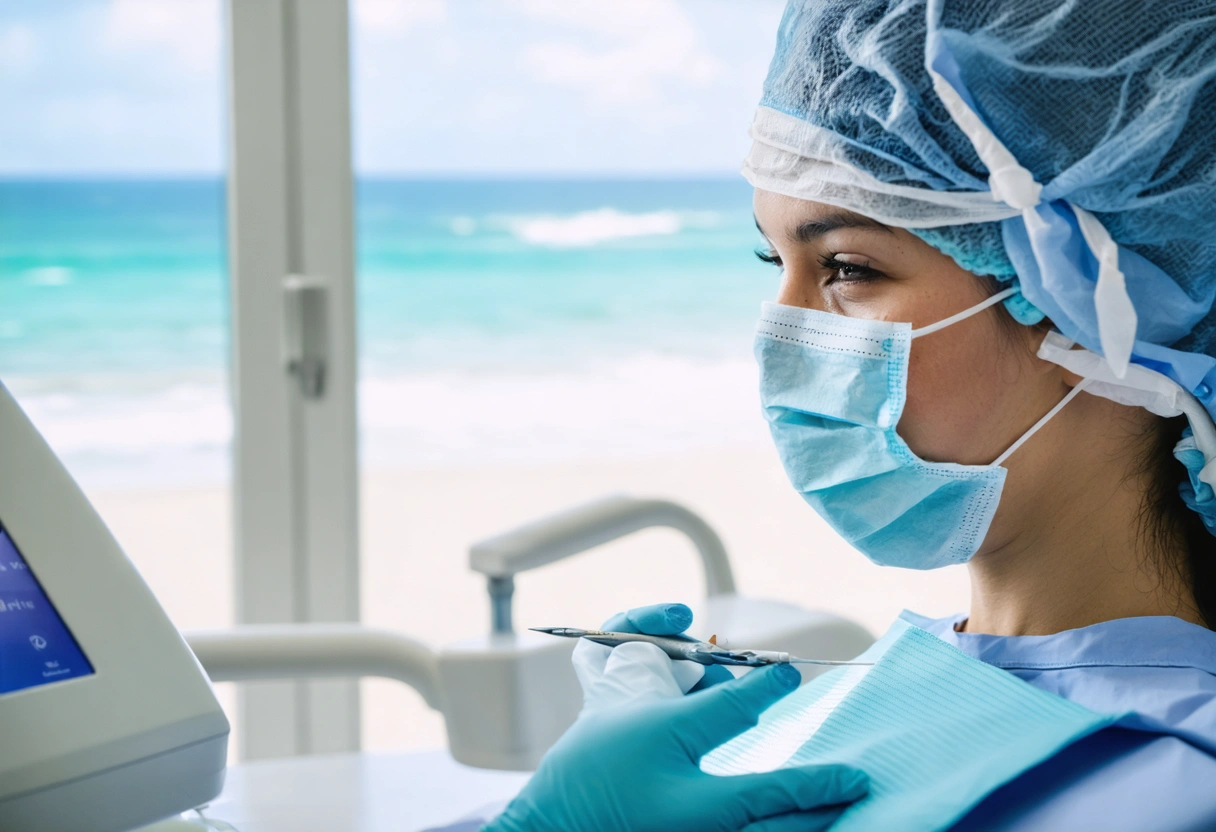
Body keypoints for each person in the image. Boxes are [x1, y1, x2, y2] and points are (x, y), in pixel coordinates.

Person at [483, 1, 1216, 829]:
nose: (781, 329)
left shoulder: (1178, 783)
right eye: (774, 259)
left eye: (846, 267)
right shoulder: (847, 701)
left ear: (1085, 302)